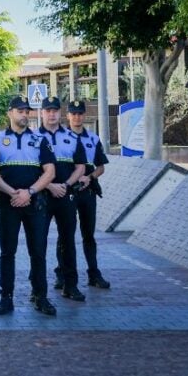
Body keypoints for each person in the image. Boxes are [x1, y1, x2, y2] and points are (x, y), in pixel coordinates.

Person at [0, 95, 57, 316]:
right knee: (7, 252)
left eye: (27, 111)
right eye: (20, 110)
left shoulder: (40, 139)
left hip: (34, 203)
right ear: (9, 113)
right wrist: (13, 193)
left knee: (38, 252)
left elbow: (50, 172)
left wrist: (29, 192)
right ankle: (6, 298)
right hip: (9, 204)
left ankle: (41, 297)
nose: (24, 114)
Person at [39, 97, 87, 302]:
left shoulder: (72, 137)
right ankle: (37, 289)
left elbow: (81, 167)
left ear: (60, 113)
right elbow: (31, 168)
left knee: (68, 242)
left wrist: (65, 186)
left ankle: (71, 285)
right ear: (42, 112)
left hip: (65, 196)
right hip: (41, 196)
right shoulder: (33, 137)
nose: (52, 114)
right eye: (48, 110)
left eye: (55, 111)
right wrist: (49, 185)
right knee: (37, 244)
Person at [66, 100, 111, 289]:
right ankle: (64, 274)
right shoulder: (60, 138)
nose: (77, 117)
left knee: (88, 235)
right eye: (73, 114)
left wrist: (89, 177)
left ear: (85, 116)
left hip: (88, 191)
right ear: (68, 116)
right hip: (68, 192)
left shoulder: (93, 138)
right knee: (66, 235)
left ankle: (94, 273)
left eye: (80, 114)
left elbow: (101, 167)